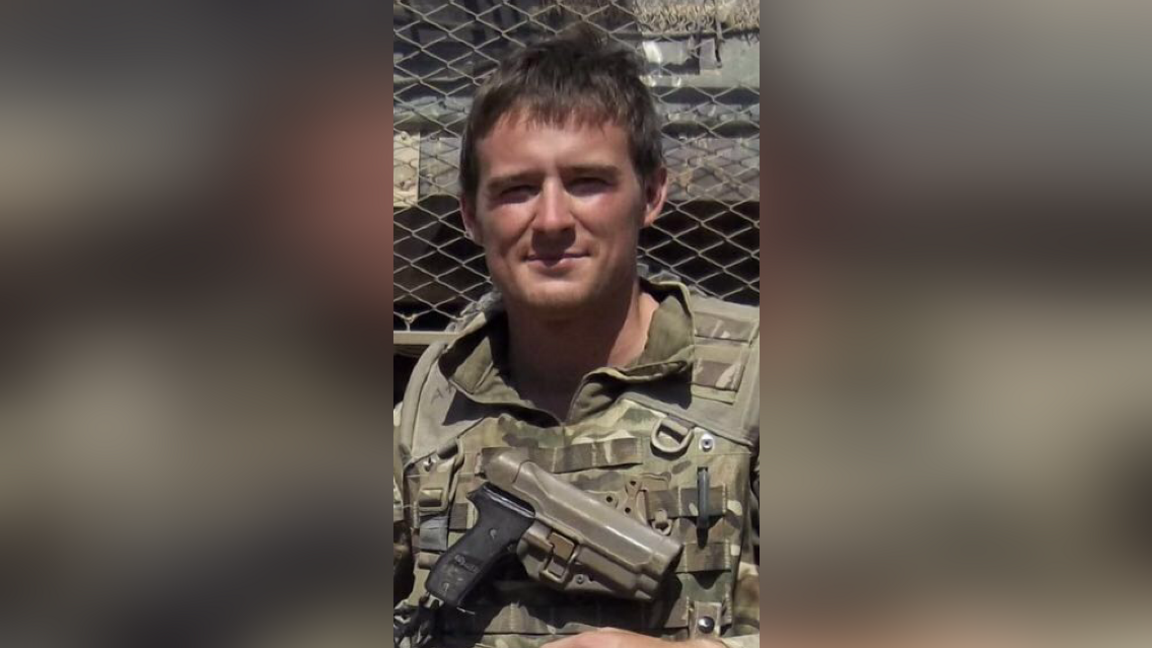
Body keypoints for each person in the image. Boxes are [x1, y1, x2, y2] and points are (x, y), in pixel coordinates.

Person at [393, 27, 759, 648]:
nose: (553, 220)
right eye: (516, 190)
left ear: (651, 194)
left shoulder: (758, 379)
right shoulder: (435, 398)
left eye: (588, 182)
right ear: (470, 216)